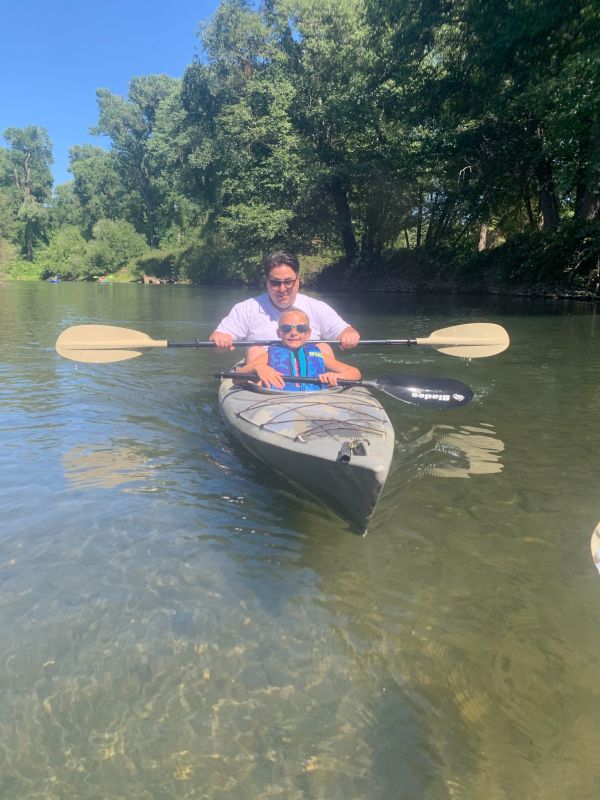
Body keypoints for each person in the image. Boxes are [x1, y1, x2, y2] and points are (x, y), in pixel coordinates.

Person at [209, 251, 360, 363]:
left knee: (323, 347)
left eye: (288, 282)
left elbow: (346, 330)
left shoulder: (317, 307)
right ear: (267, 282)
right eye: (275, 282)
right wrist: (220, 340)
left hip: (312, 374)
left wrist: (349, 335)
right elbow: (216, 344)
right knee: (255, 350)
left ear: (298, 280)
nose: (282, 289)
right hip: (263, 379)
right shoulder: (245, 309)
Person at [234, 308, 361, 390]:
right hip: (277, 400)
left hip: (317, 399)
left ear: (308, 333)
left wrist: (338, 377)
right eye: (286, 329)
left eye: (301, 329)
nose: (294, 333)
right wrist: (257, 367)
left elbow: (355, 372)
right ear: (279, 334)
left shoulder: (318, 355)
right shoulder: (269, 356)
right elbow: (235, 378)